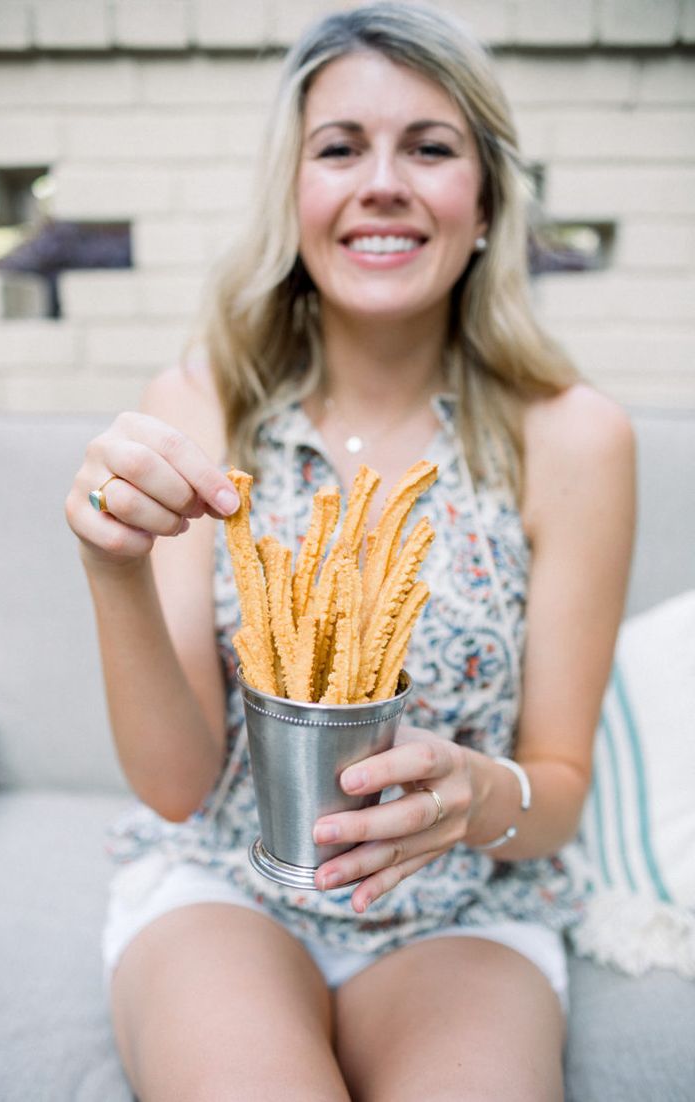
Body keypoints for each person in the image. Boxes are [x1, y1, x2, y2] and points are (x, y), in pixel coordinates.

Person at [65, 4, 635, 1098]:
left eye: (429, 147)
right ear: (295, 197)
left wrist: (474, 793)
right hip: (225, 887)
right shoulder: (199, 406)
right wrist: (114, 566)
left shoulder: (575, 438)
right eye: (339, 148)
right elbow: (177, 785)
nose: (382, 182)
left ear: (484, 204)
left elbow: (558, 784)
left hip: (463, 912)